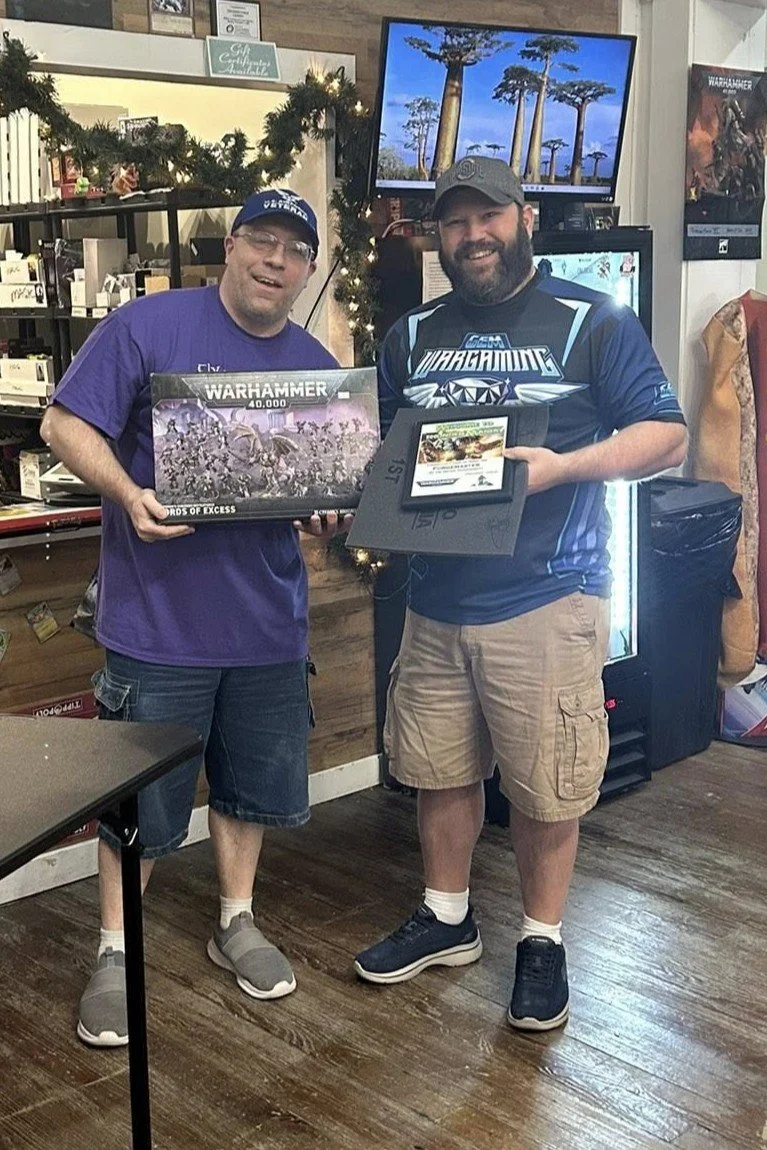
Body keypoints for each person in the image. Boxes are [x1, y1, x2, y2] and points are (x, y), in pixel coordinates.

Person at [354, 157, 687, 1031]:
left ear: (524, 217)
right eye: (455, 222)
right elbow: (377, 455)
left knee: (546, 786)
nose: (473, 236)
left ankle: (541, 939)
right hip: (434, 599)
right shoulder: (410, 336)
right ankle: (447, 917)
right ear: (438, 234)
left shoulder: (592, 320)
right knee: (438, 769)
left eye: (488, 217)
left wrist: (562, 468)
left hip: (547, 597)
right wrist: (339, 501)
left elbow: (665, 437)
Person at [41, 188, 348, 1047]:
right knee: (139, 805)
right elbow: (62, 424)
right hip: (158, 625)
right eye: (261, 240)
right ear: (232, 246)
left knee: (247, 792)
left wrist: (327, 514)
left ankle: (235, 920)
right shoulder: (147, 326)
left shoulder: (314, 364)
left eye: (293, 249)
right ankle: (114, 951)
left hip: (268, 626)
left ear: (307, 268)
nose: (274, 260)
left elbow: (320, 489)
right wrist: (127, 492)